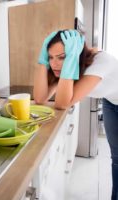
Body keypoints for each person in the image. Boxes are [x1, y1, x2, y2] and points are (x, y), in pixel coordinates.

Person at [33, 29, 118, 200]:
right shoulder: (67, 65)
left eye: (61, 57)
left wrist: (70, 59)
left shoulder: (101, 62)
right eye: (51, 57)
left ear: (75, 54)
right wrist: (43, 62)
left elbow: (63, 102)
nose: (55, 64)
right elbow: (40, 98)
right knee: (116, 157)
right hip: (111, 101)